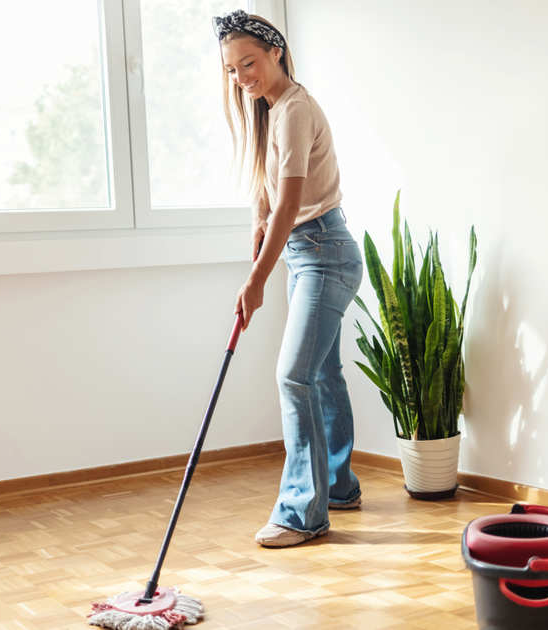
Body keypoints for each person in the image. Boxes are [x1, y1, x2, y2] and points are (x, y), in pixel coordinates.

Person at [214, 10, 364, 548]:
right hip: (309, 253)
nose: (241, 78)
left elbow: (292, 203)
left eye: (248, 63)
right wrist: (258, 221)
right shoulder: (271, 111)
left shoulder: (296, 108)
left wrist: (256, 279)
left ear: (276, 51)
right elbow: (271, 198)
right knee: (321, 373)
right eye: (232, 70)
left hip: (324, 251)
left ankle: (303, 512)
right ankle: (339, 485)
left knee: (292, 375)